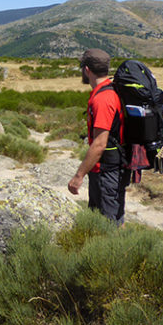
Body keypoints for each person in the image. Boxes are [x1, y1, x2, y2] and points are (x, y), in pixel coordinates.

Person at [68, 48, 129, 224]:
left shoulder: (103, 99)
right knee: (104, 220)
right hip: (111, 168)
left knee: (108, 224)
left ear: (87, 70)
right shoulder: (111, 90)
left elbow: (99, 144)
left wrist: (78, 176)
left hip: (107, 170)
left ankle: (116, 251)